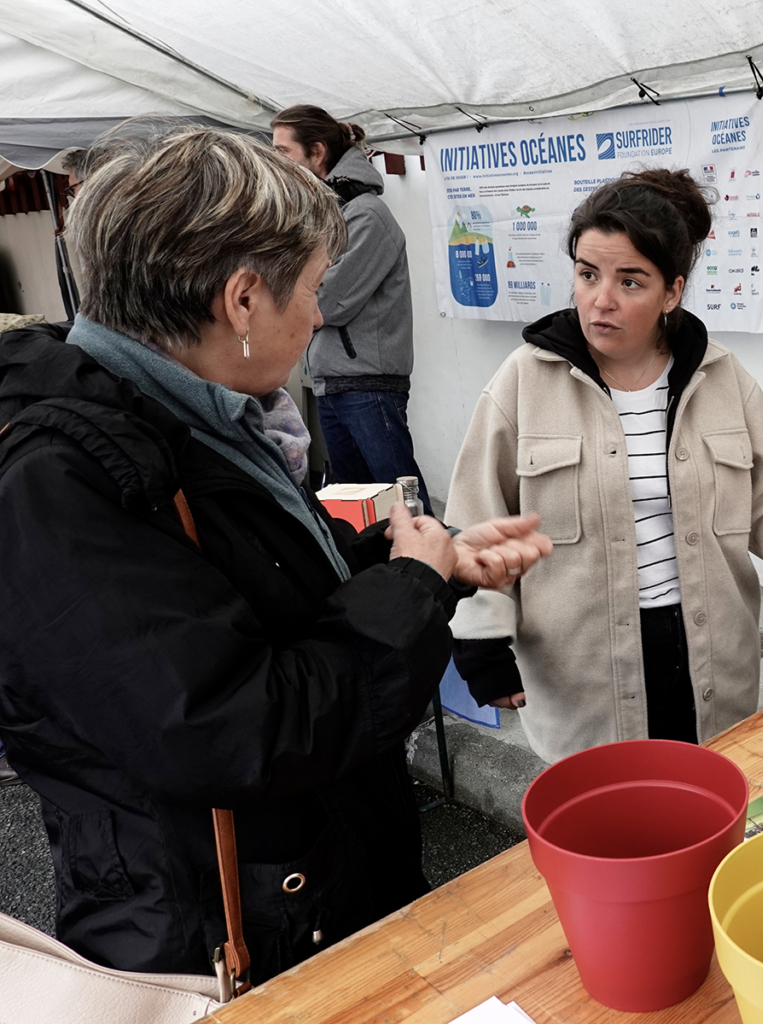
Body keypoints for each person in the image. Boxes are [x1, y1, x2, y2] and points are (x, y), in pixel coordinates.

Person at [0, 126, 551, 983]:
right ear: (244, 300)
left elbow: (257, 592)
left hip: (310, 882)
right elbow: (238, 727)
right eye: (314, 287)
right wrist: (410, 587)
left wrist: (416, 563)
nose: (321, 314)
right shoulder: (59, 478)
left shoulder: (185, 414)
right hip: (233, 929)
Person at [446, 169, 763, 763]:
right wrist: (481, 639)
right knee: (610, 813)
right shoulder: (523, 383)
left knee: (706, 797)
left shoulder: (721, 378)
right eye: (587, 274)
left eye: (630, 281)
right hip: (583, 671)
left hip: (708, 655)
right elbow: (478, 524)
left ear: (671, 292)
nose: (601, 299)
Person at [270, 104, 433, 514]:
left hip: (368, 384)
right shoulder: (331, 214)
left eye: (283, 152)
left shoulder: (366, 215)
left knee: (402, 501)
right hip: (332, 380)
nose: (276, 163)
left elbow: (325, 302)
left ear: (317, 152)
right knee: (356, 508)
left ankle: (437, 555)